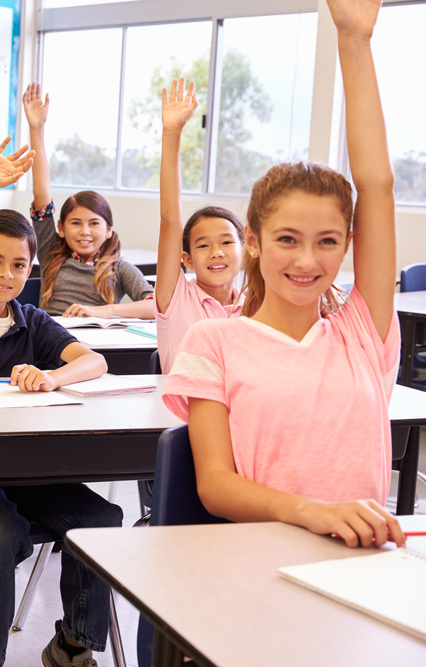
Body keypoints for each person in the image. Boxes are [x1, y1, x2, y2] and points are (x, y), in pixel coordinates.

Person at [162, 0, 406, 550]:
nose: (306, 261)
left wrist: (355, 42)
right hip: (259, 563)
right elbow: (217, 486)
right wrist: (309, 512)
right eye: (287, 240)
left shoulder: (361, 333)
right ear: (253, 239)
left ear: (349, 245)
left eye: (327, 242)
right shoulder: (215, 341)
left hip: (361, 564)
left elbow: (379, 186)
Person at [0, 137, 123, 667]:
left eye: (19, 266)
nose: (6, 275)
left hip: (20, 468)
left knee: (101, 517)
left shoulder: (32, 322)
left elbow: (94, 362)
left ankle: (72, 644)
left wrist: (54, 377)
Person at [23, 82, 154, 318]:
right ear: (61, 228)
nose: (85, 231)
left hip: (98, 346)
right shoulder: (50, 251)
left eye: (94, 223)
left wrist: (105, 311)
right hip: (50, 342)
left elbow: (155, 306)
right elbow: (41, 193)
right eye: (75, 223)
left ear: (108, 230)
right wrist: (36, 129)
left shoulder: (119, 268)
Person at [153, 78, 246, 372]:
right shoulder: (176, 298)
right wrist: (172, 133)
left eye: (227, 242)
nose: (216, 252)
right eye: (204, 245)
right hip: (185, 416)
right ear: (187, 259)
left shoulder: (257, 304)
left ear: (246, 249)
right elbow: (170, 220)